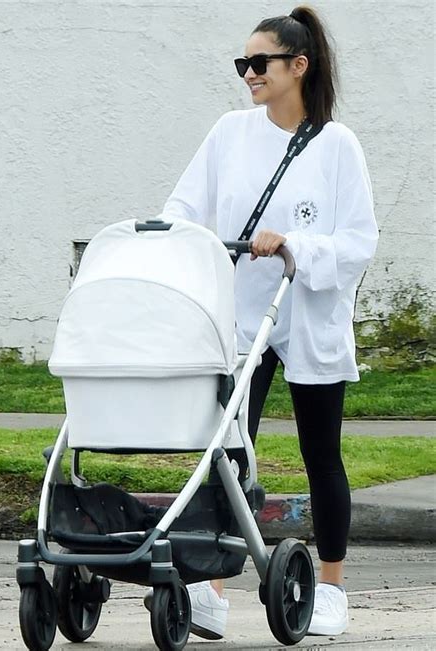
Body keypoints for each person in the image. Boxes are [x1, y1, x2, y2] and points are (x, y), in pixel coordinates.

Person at [145, 4, 379, 640]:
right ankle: (212, 588)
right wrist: (169, 237)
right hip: (241, 314)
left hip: (305, 312)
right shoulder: (229, 133)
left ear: (297, 66)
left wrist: (298, 246)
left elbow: (360, 239)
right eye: (243, 63)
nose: (248, 73)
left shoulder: (337, 144)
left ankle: (330, 587)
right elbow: (185, 204)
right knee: (225, 453)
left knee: (319, 452)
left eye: (260, 62)